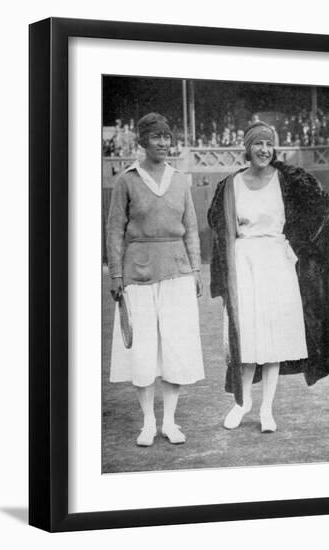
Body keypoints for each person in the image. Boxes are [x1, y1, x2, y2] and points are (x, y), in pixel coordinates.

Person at [208, 121, 329, 433]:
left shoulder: (288, 180)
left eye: (269, 144)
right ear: (247, 148)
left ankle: (266, 410)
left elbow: (319, 204)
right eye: (258, 144)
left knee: (274, 338)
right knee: (246, 337)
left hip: (277, 261)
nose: (264, 149)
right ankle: (242, 402)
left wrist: (300, 242)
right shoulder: (231, 184)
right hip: (244, 263)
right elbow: (219, 225)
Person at [107, 112, 205, 447]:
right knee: (144, 350)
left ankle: (170, 422)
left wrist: (195, 270)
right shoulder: (127, 180)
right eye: (156, 137)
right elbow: (114, 230)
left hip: (176, 270)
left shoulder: (180, 179)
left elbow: (191, 228)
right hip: (138, 273)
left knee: (175, 347)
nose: (163, 143)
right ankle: (148, 422)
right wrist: (117, 275)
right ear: (142, 141)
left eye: (167, 137)